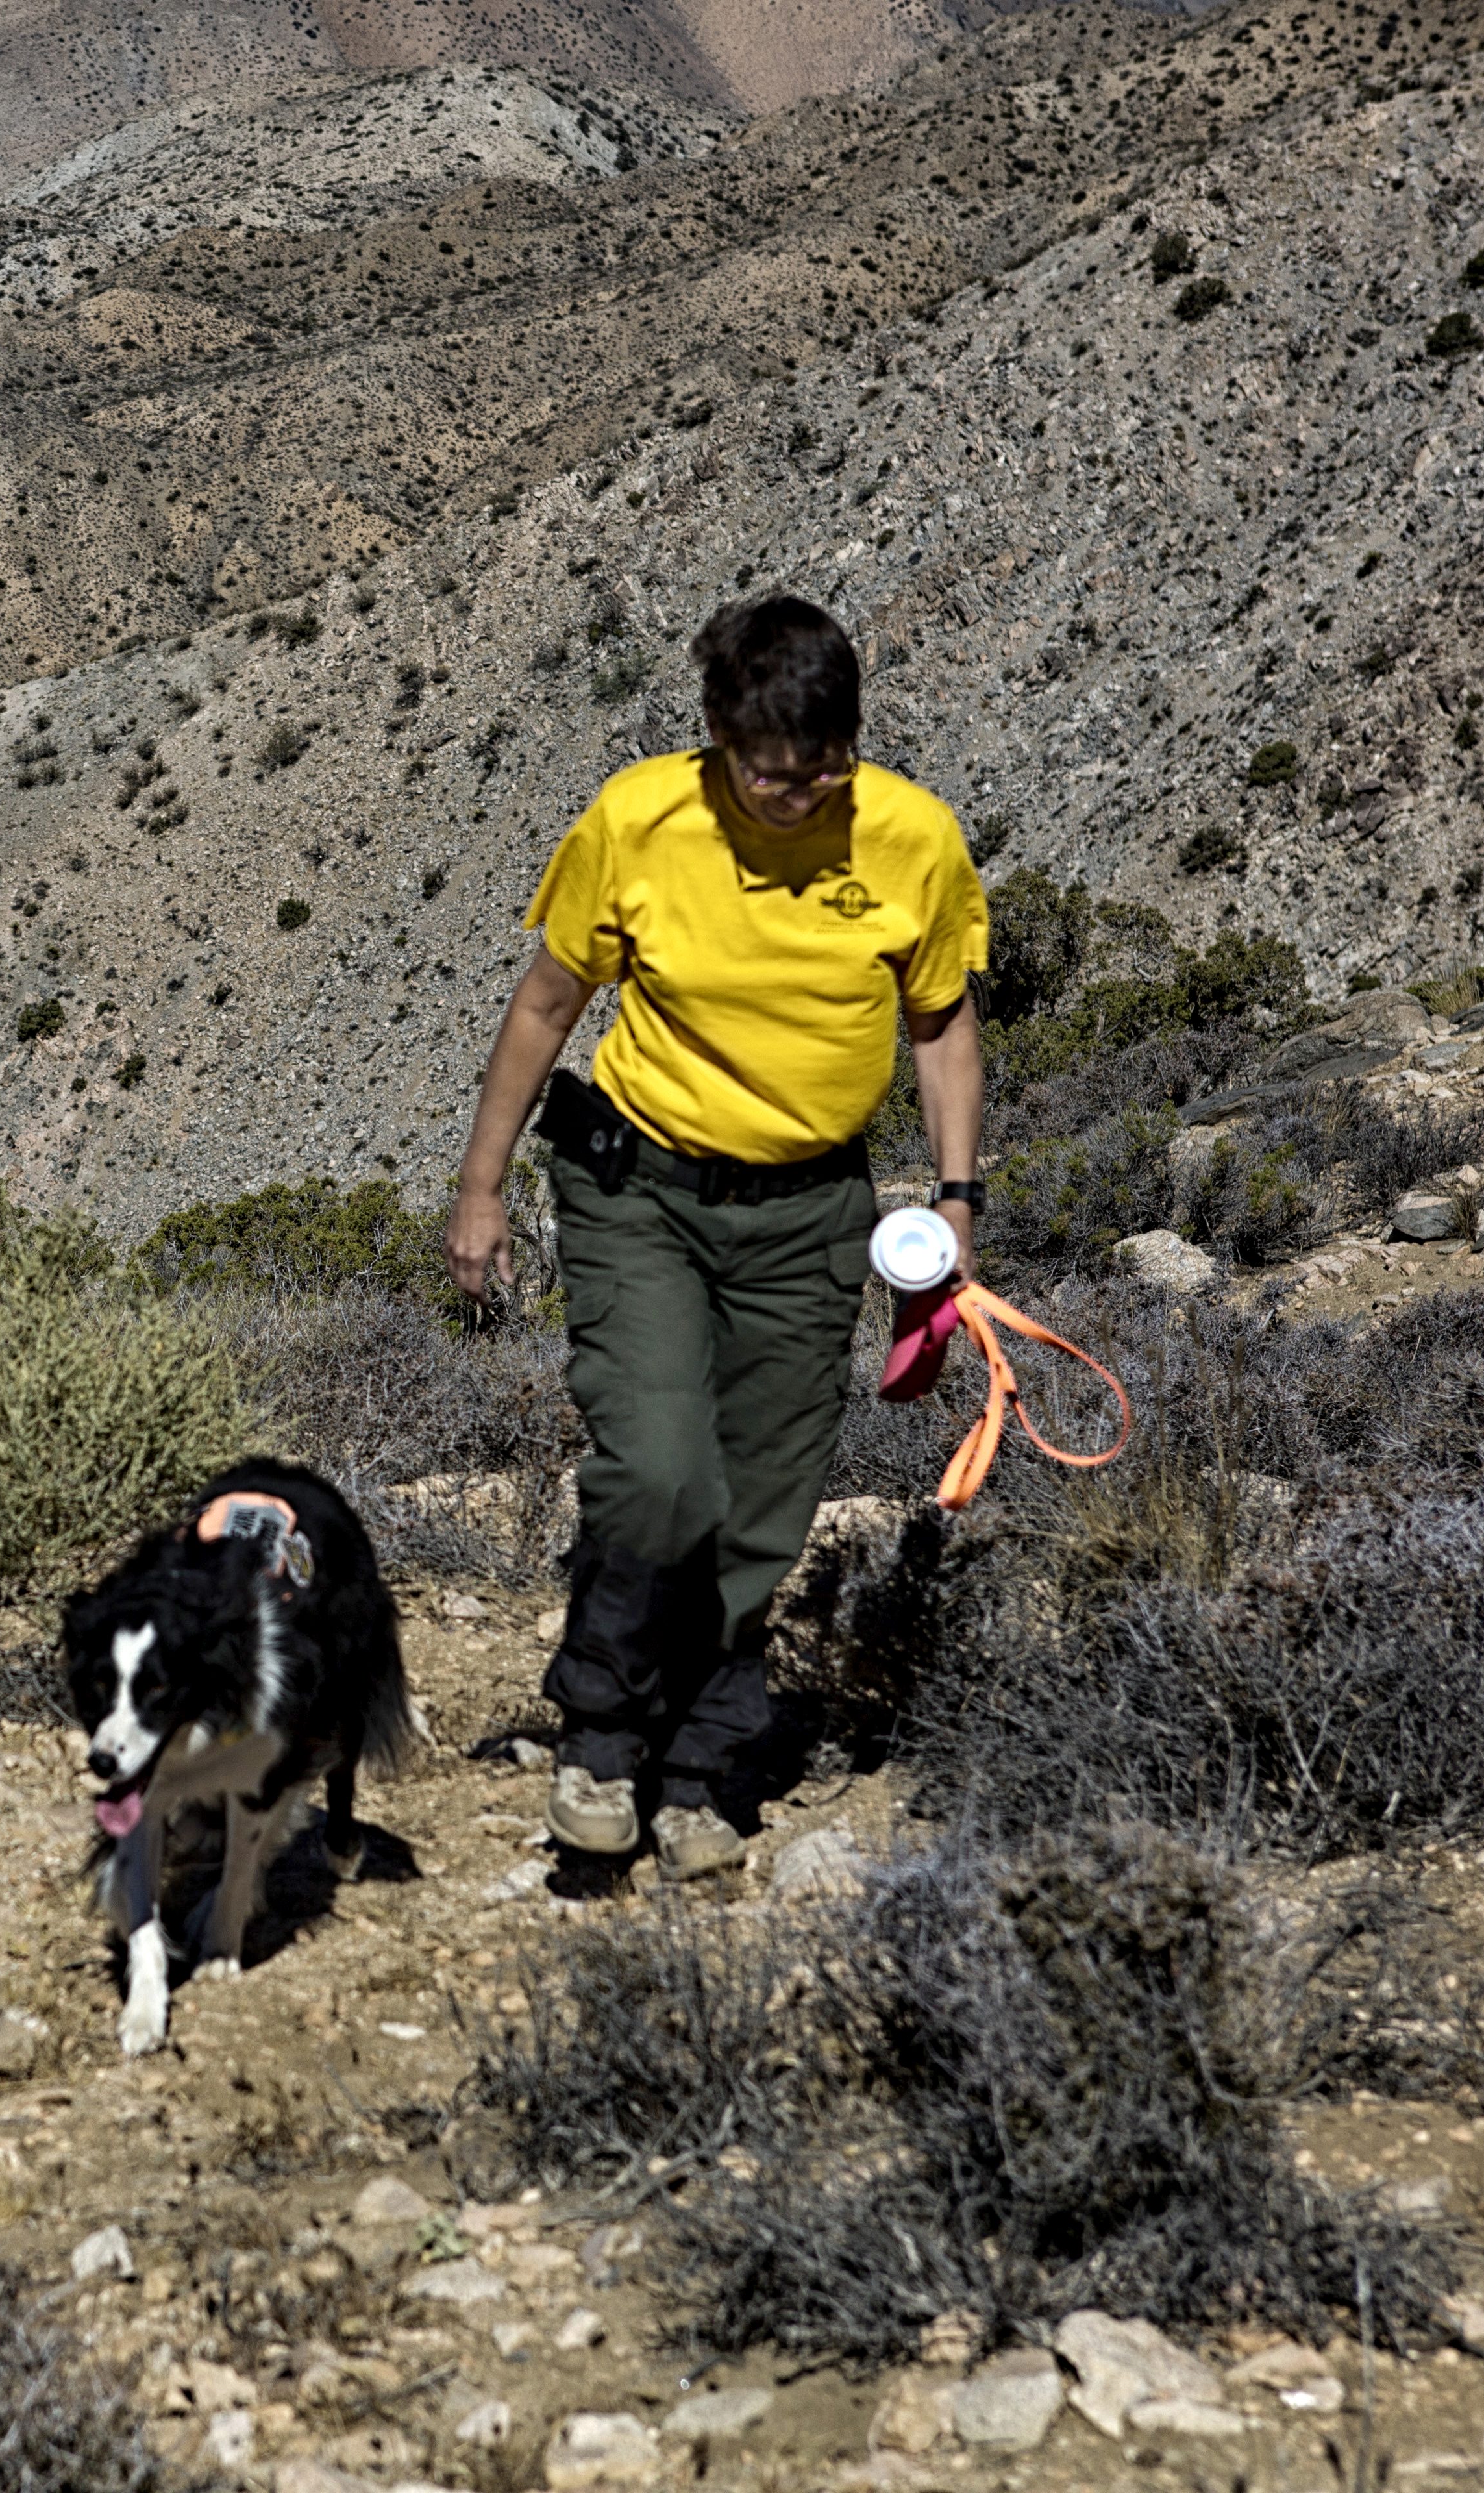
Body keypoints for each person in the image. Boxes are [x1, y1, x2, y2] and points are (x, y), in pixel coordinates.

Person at [441, 595, 987, 1878]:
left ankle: (699, 1763)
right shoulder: (640, 820)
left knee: (763, 1504)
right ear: (715, 736)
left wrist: (957, 1200)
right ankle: (601, 1735)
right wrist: (478, 1190)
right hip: (644, 1193)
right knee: (661, 1471)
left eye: (823, 773)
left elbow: (942, 1023)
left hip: (812, 1212)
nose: (795, 797)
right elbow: (546, 1002)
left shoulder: (915, 840)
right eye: (766, 775)